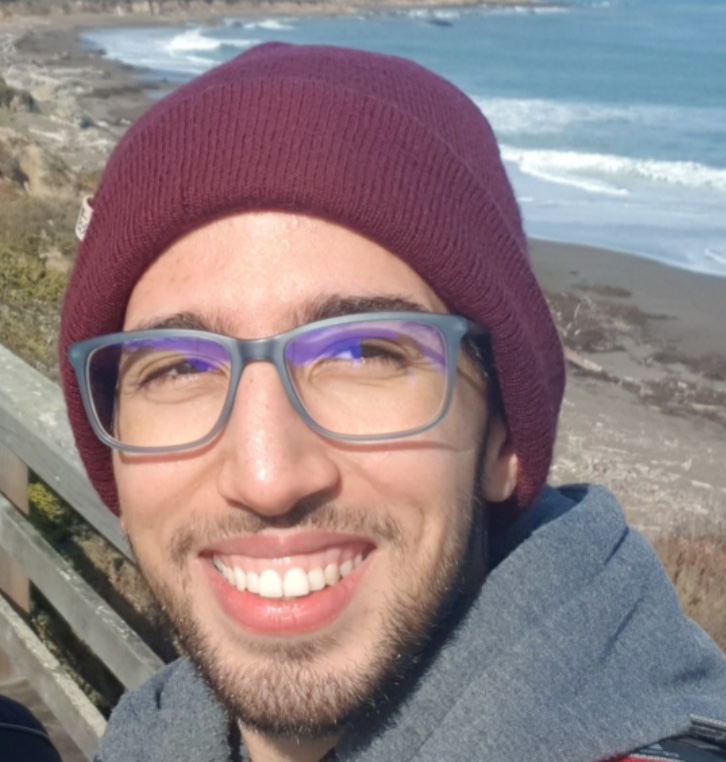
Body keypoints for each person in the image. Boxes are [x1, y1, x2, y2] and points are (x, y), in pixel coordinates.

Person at [58, 43, 726, 762]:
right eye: (180, 366)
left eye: (363, 354)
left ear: (504, 438)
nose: (267, 478)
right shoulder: (150, 737)